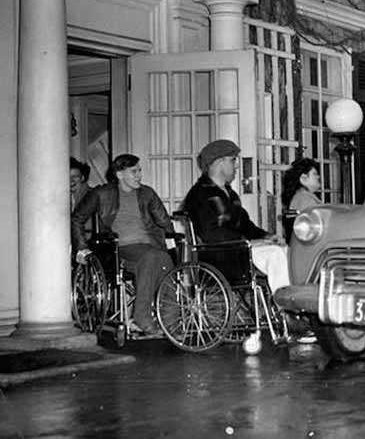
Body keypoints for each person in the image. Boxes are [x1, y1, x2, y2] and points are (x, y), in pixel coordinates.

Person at [72, 154, 174, 336]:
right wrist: (81, 247)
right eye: (134, 172)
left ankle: (171, 322)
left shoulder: (147, 193)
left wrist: (172, 238)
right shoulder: (101, 194)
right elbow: (77, 218)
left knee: (164, 258)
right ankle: (142, 318)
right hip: (119, 248)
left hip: (148, 247)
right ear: (119, 174)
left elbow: (164, 221)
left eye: (139, 171)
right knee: (154, 257)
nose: (139, 176)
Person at [182, 139, 290, 295]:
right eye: (233, 160)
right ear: (219, 162)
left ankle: (293, 304)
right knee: (275, 255)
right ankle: (285, 308)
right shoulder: (200, 194)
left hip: (239, 250)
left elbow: (247, 226)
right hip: (221, 256)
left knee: (285, 250)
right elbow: (210, 234)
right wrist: (247, 242)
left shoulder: (229, 194)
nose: (237, 165)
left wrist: (268, 236)